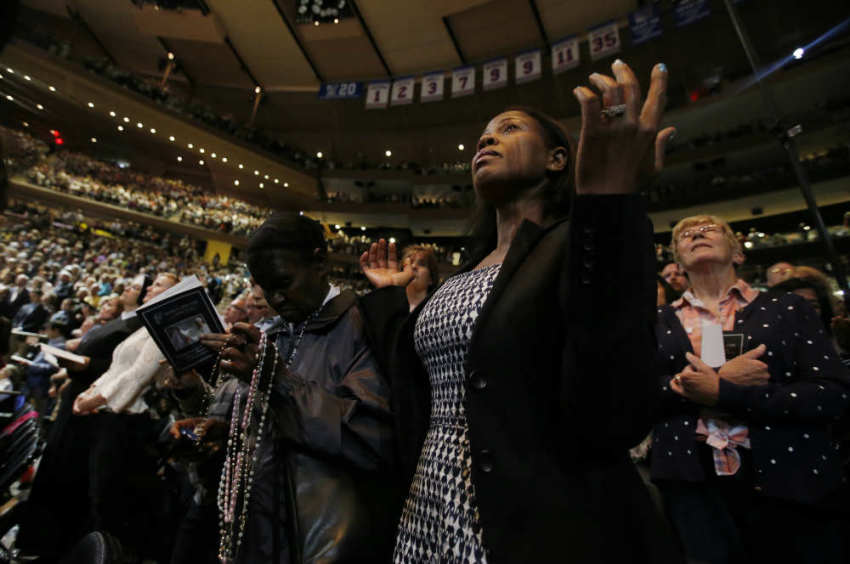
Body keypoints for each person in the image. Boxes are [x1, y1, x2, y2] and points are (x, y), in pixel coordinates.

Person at [359, 60, 681, 562]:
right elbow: (415, 382)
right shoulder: (462, 275)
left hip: (530, 517)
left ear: (558, 160)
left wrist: (609, 205)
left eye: (508, 130)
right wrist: (389, 299)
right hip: (430, 504)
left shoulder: (576, 245)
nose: (485, 142)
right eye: (483, 137)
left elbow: (612, 403)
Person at [195, 213, 397, 563]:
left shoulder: (365, 326)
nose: (275, 298)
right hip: (260, 533)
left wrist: (279, 382)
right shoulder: (274, 332)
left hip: (325, 541)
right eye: (264, 287)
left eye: (283, 282)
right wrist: (224, 428)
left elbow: (371, 436)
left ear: (320, 262)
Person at [651, 214, 850, 563]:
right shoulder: (657, 322)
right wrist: (691, 385)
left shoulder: (788, 308)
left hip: (789, 479)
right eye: (685, 235)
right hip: (692, 485)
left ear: (739, 253)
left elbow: (832, 393)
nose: (697, 233)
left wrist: (724, 393)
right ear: (677, 262)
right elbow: (634, 393)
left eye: (710, 229)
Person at [401, 245, 439, 311]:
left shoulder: (436, 309)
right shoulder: (390, 305)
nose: (413, 266)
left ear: (431, 279)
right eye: (410, 262)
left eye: (421, 264)